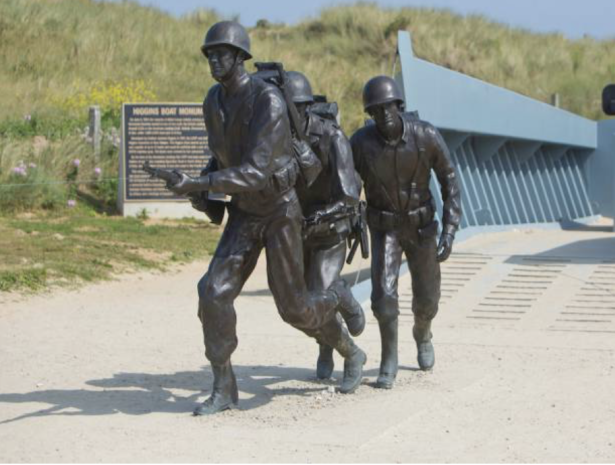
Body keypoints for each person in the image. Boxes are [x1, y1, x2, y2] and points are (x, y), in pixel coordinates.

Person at [167, 21, 366, 415]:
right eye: (210, 53)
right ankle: (224, 387)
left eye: (222, 53)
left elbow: (257, 170)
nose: (214, 60)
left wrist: (197, 182)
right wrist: (205, 193)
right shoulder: (213, 101)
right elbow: (223, 156)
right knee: (212, 292)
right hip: (244, 212)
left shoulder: (268, 101)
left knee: (294, 308)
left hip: (278, 210)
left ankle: (345, 335)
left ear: (241, 57)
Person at [350, 75, 461, 389]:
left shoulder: (425, 136)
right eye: (376, 110)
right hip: (385, 229)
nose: (383, 115)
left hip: (422, 227)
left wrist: (450, 229)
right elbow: (344, 180)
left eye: (388, 107)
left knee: (428, 299)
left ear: (399, 106)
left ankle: (423, 332)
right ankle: (389, 357)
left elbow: (450, 179)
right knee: (383, 297)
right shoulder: (361, 143)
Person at [283, 71, 365, 382]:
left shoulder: (333, 139)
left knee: (317, 294)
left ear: (302, 108)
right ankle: (327, 341)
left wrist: (321, 216)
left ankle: (351, 351)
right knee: (298, 304)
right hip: (297, 230)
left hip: (330, 229)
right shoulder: (280, 140)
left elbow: (348, 195)